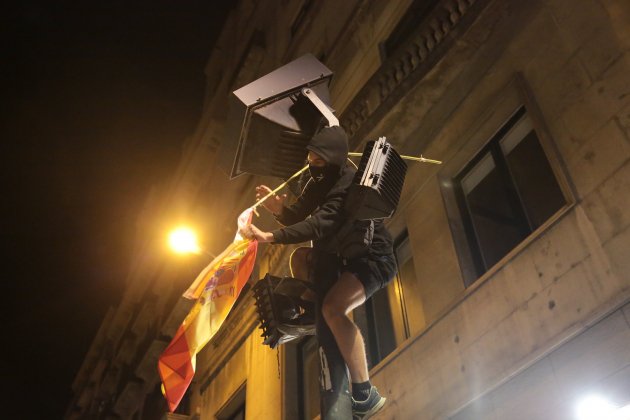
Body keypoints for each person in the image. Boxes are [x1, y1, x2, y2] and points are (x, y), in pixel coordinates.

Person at [241, 126, 397, 419]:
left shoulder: (347, 182)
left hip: (373, 259)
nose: (313, 165)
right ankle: (315, 310)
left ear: (333, 159)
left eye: (319, 161)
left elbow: (320, 223)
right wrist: (279, 209)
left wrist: (270, 236)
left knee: (334, 309)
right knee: (301, 258)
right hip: (345, 258)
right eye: (310, 159)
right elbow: (300, 212)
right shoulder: (319, 182)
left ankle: (364, 393)